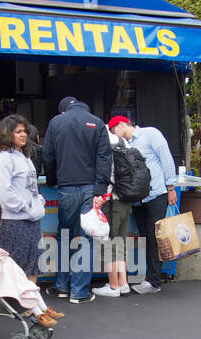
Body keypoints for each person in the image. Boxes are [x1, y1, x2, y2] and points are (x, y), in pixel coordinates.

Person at [41, 96, 111, 303]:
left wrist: (53, 179)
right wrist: (100, 189)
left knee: (63, 236)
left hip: (66, 189)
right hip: (91, 189)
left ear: (63, 110)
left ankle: (61, 286)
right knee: (85, 239)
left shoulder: (56, 122)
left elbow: (48, 155)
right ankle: (79, 292)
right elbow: (105, 158)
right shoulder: (97, 123)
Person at [106, 115, 179, 294]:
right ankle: (150, 278)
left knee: (155, 237)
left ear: (121, 124)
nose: (114, 134)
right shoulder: (125, 144)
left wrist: (171, 187)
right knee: (146, 236)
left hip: (156, 194)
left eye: (114, 129)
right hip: (137, 199)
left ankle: (154, 281)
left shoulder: (150, 134)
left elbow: (166, 158)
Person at [0, 114, 46, 279]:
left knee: (34, 265)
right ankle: (16, 305)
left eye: (24, 131)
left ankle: (33, 305)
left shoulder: (24, 156)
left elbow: (31, 186)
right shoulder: (4, 158)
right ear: (7, 134)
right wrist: (26, 206)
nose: (23, 135)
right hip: (15, 222)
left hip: (32, 220)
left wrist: (37, 203)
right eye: (17, 131)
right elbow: (4, 192)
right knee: (16, 269)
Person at [92, 125, 132, 297]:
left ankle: (113, 286)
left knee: (108, 243)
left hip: (110, 200)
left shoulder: (103, 144)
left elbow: (103, 173)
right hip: (125, 199)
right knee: (120, 241)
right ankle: (123, 283)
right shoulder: (124, 142)